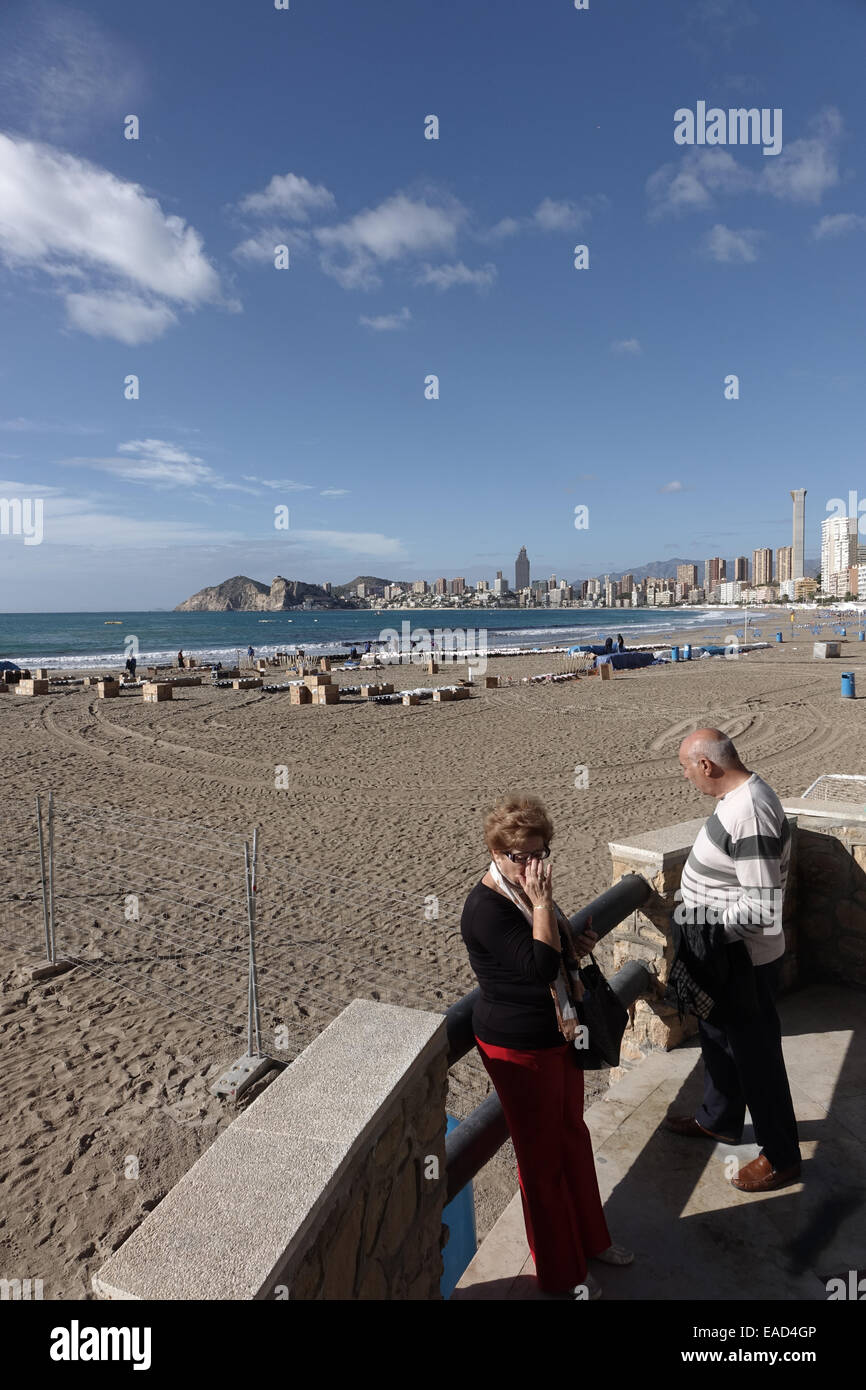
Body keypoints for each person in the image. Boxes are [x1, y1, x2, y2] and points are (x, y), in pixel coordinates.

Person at [461, 793, 633, 1299]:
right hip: (517, 1048)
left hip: (560, 1033)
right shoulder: (487, 908)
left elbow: (551, 952)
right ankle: (561, 1275)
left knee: (572, 1137)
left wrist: (572, 946)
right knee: (540, 1159)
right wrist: (541, 905)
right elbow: (536, 967)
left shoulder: (528, 894)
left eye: (541, 853)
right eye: (523, 856)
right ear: (498, 853)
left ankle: (592, 1240)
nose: (535, 865)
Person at [663, 730, 801, 1192]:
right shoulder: (738, 800)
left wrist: (708, 934)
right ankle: (718, 1119)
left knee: (757, 1058)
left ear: (707, 765)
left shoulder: (751, 811)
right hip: (726, 956)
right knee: (718, 1039)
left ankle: (781, 1158)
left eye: (686, 767)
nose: (685, 776)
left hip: (743, 959)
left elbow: (762, 904)